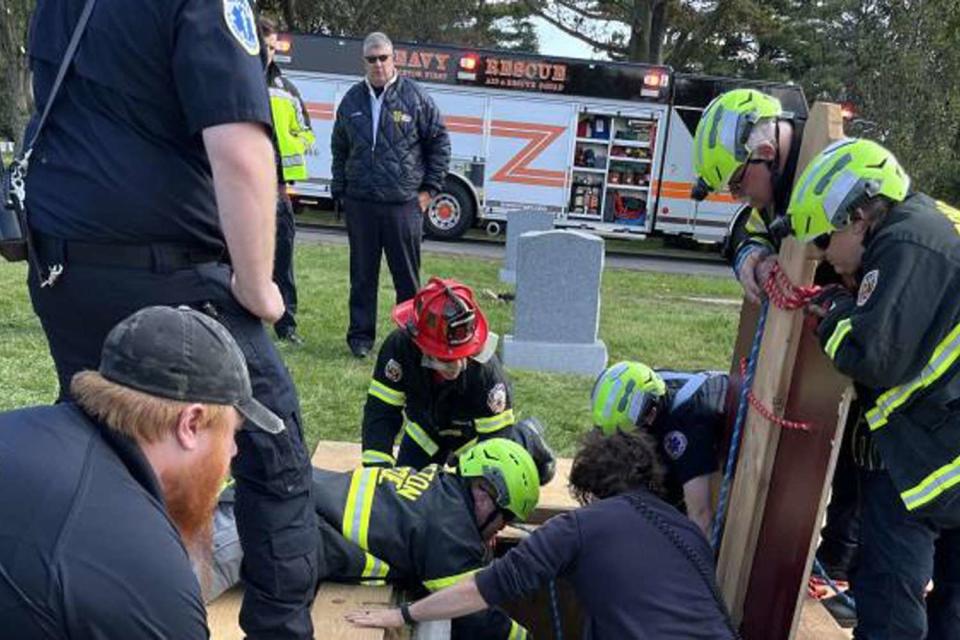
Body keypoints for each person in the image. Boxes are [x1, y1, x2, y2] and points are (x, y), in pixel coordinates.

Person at [21, 3, 317, 637]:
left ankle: (90, 606)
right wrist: (260, 285)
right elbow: (240, 149)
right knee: (275, 453)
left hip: (67, 270)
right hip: (172, 272)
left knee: (108, 447)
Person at [0, 306, 286, 638]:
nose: (234, 452)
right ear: (190, 424)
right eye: (233, 434)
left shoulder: (18, 427)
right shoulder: (147, 579)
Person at [788, 137, 960, 639]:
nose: (822, 256)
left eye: (823, 239)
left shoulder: (904, 244)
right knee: (950, 603)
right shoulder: (928, 225)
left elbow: (872, 355)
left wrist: (835, 314)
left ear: (858, 214)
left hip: (927, 458)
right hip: (943, 445)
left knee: (889, 593)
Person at [692, 89, 861, 586]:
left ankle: (841, 572)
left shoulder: (832, 178)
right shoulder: (778, 183)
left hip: (873, 359)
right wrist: (751, 256)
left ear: (765, 151)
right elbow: (749, 226)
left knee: (859, 457)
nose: (741, 196)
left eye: (740, 182)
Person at [346, 429, 739, 639]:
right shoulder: (686, 531)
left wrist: (402, 613)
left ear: (591, 490)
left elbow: (481, 589)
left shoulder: (581, 527)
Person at [210, 438, 542, 639]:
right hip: (256, 530)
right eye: (505, 516)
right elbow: (473, 614)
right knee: (168, 600)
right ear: (485, 492)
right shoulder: (450, 532)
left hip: (271, 510)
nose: (502, 528)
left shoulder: (438, 488)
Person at [331, 31, 451, 358]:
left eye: (384, 57)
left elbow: (440, 143)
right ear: (364, 61)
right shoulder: (352, 100)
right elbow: (339, 147)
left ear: (394, 58)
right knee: (362, 277)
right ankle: (360, 339)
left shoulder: (416, 98)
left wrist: (428, 192)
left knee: (408, 281)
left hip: (403, 206)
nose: (378, 64)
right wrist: (340, 189)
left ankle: (412, 340)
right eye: (372, 59)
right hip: (361, 204)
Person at [361, 277, 539, 472]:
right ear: (421, 346)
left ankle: (527, 437)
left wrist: (475, 477)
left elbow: (495, 445)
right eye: (446, 358)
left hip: (473, 438)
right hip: (426, 429)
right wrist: (377, 472)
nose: (458, 365)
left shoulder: (487, 373)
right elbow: (381, 412)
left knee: (484, 487)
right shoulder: (399, 350)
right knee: (406, 492)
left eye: (464, 354)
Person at [591, 360, 727, 536]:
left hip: (733, 447)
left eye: (626, 437)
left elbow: (700, 516)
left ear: (650, 415)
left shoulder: (687, 425)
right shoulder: (647, 388)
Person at [260, 17, 315, 345]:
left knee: (283, 259)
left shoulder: (286, 88)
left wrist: (293, 143)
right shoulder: (234, 80)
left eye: (272, 47)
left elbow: (306, 131)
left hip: (278, 190)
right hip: (239, 190)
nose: (268, 53)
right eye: (264, 46)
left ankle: (286, 324)